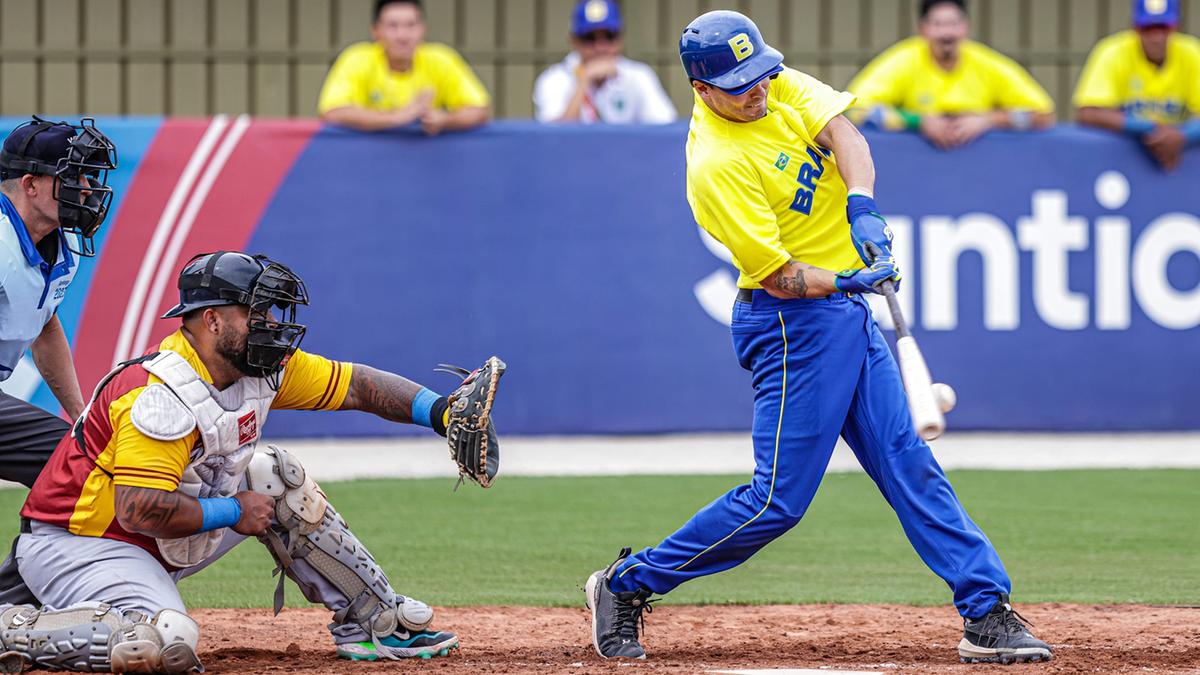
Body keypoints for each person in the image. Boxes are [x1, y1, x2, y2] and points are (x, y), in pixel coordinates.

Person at [584, 10, 1053, 666]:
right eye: (740, 83)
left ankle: (985, 609)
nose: (760, 89)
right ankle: (626, 583)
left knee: (908, 460)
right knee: (775, 501)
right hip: (790, 326)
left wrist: (861, 203)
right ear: (702, 89)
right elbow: (779, 276)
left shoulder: (770, 81)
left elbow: (843, 132)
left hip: (845, 313)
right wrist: (850, 276)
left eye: (762, 73)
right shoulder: (718, 164)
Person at [0, 251, 505, 671]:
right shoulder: (157, 395)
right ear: (211, 319)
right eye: (256, 314)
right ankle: (12, 628)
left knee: (275, 474)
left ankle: (374, 622)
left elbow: (357, 385)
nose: (270, 327)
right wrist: (234, 512)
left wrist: (439, 412)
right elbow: (138, 509)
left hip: (159, 535)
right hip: (86, 543)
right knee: (164, 639)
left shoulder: (257, 368)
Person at [0, 116, 117, 487]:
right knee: (75, 463)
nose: (86, 189)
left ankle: (39, 546)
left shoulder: (60, 247)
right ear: (30, 184)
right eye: (73, 177)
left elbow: (45, 324)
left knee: (81, 458)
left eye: (87, 177)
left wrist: (80, 415)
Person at [846, 0, 1055, 149]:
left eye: (954, 24)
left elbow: (1044, 114)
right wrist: (918, 122)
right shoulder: (904, 59)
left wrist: (989, 120)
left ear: (966, 27)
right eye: (938, 24)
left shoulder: (986, 63)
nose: (947, 33)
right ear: (923, 29)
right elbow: (857, 108)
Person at [318, 0, 492, 134]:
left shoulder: (441, 59)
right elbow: (332, 111)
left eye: (411, 25)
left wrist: (444, 120)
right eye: (393, 26)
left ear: (423, 29)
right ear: (376, 31)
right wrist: (398, 117)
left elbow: (480, 110)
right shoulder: (356, 59)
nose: (403, 35)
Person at [1074, 0, 1200, 170]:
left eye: (1163, 28)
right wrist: (1149, 128)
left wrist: (1183, 135)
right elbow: (1087, 113)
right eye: (1147, 29)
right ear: (1135, 27)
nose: (1156, 38)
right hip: (1119, 164)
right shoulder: (1113, 52)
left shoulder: (1191, 52)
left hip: (1177, 166)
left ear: (1175, 27)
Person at [533, 0, 676, 124]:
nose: (600, 47)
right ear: (574, 41)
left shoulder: (638, 75)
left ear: (620, 39)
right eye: (590, 38)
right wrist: (584, 81)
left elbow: (663, 128)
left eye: (609, 36)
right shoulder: (554, 79)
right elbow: (553, 139)